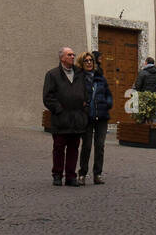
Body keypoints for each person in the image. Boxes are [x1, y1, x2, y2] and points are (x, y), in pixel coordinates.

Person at [44, 46, 88, 185]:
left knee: (74, 148)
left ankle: (71, 176)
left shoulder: (80, 74)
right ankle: (57, 175)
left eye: (73, 55)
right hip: (61, 119)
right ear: (62, 58)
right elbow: (48, 97)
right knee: (59, 148)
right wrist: (59, 109)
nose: (73, 57)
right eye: (69, 55)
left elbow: (86, 91)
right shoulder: (52, 74)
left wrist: (84, 107)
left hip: (76, 118)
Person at [77, 52, 113, 185]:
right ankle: (82, 174)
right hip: (87, 116)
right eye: (86, 61)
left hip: (102, 116)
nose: (89, 63)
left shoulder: (100, 78)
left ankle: (97, 174)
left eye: (91, 60)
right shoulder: (79, 78)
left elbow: (108, 94)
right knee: (86, 146)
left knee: (100, 146)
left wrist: (107, 103)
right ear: (82, 63)